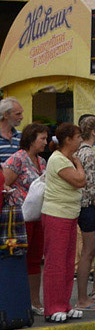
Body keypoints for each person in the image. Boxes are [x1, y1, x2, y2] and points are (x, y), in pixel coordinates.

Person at [42, 122, 86, 322]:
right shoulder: (58, 159)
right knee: (56, 262)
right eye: (78, 137)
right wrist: (78, 163)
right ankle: (52, 307)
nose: (80, 141)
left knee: (68, 263)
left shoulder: (66, 158)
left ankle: (65, 303)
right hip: (56, 215)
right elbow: (79, 180)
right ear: (68, 139)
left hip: (70, 214)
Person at [3, 122, 49, 315]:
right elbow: (3, 182)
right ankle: (21, 300)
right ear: (31, 139)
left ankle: (35, 301)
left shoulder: (42, 162)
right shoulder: (18, 159)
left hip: (37, 216)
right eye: (43, 138)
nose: (46, 142)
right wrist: (14, 194)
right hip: (20, 216)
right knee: (20, 258)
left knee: (35, 258)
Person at [74, 114, 95, 311]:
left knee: (85, 252)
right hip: (87, 207)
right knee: (88, 252)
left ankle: (82, 296)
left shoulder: (77, 151)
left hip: (76, 205)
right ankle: (82, 298)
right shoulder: (90, 154)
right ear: (93, 132)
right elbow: (94, 187)